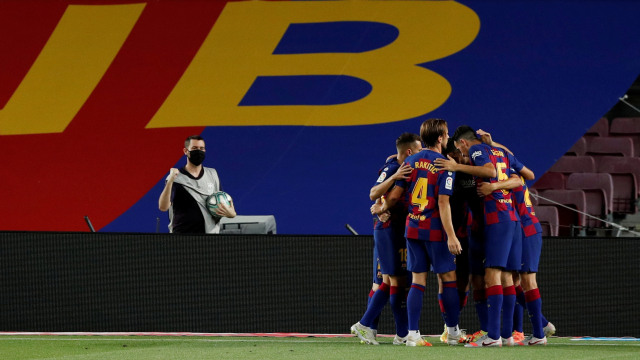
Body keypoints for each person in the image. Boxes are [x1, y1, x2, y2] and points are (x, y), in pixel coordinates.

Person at [435, 126, 528, 347]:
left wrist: (492, 184)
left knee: (497, 277)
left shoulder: (477, 156)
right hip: (489, 226)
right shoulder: (494, 154)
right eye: (456, 156)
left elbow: (502, 174)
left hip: (494, 223)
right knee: (491, 280)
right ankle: (497, 333)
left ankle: (499, 334)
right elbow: (521, 177)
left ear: (463, 145)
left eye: (459, 152)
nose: (460, 156)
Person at [373, 119, 463, 347]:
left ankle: (412, 334)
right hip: (435, 230)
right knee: (447, 277)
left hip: (412, 229)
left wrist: (381, 209)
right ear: (441, 137)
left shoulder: (411, 160)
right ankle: (452, 332)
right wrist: (452, 236)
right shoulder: (445, 164)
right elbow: (443, 202)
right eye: (447, 133)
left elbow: (393, 196)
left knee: (417, 281)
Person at [475, 131, 555, 346]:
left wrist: (493, 186)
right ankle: (529, 329)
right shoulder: (508, 168)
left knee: (524, 281)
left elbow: (519, 180)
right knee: (513, 280)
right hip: (525, 227)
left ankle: (538, 332)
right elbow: (515, 163)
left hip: (525, 228)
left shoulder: (508, 177)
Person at [351, 133, 421, 345]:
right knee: (387, 282)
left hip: (399, 230)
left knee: (394, 282)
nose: (421, 155)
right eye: (418, 151)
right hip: (387, 230)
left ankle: (397, 334)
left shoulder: (406, 168)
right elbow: (373, 192)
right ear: (409, 152)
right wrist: (393, 177)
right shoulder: (393, 168)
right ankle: (366, 326)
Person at [158, 135, 236, 233]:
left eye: (201, 148)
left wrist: (231, 213)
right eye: (194, 148)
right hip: (182, 237)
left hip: (210, 237)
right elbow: (163, 207)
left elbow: (220, 202)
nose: (198, 151)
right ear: (186, 151)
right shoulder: (176, 178)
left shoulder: (212, 174)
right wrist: (170, 180)